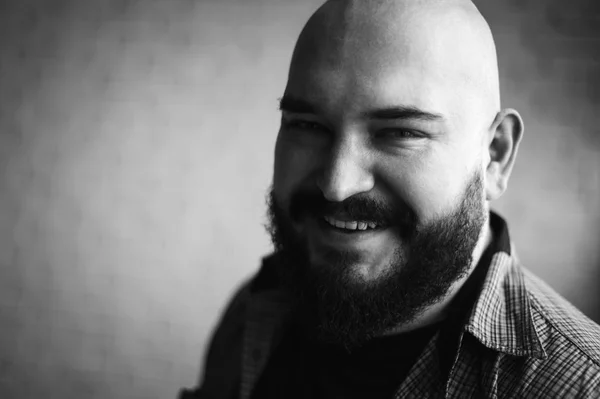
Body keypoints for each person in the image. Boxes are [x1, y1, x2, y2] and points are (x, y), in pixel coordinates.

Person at [179, 0, 600, 397]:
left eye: (400, 132)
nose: (337, 185)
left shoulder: (581, 386)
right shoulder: (256, 308)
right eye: (308, 125)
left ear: (495, 156)